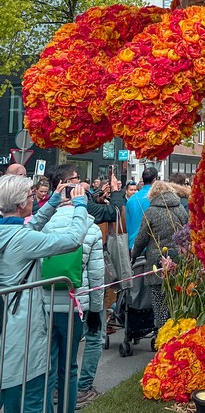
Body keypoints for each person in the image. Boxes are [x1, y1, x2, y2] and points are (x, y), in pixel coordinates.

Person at [0, 174, 90, 413]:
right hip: (22, 331)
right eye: (31, 196)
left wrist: (51, 204)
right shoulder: (22, 240)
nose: (33, 199)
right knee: (28, 401)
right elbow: (72, 240)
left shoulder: (8, 232)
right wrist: (80, 207)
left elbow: (29, 227)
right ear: (21, 205)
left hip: (7, 326)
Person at [42, 165, 104, 413]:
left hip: (46, 304)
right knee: (69, 367)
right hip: (76, 305)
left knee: (47, 365)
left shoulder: (45, 223)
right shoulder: (90, 227)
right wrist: (96, 312)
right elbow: (97, 275)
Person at [130, 181, 188, 331]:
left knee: (160, 304)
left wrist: (134, 255)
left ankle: (162, 335)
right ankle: (176, 335)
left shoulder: (151, 212)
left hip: (157, 264)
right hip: (179, 263)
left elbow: (141, 239)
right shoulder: (181, 208)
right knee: (177, 303)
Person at [125, 166, 158, 249]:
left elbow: (127, 224)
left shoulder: (131, 200)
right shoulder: (158, 198)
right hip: (153, 245)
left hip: (133, 244)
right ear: (155, 179)